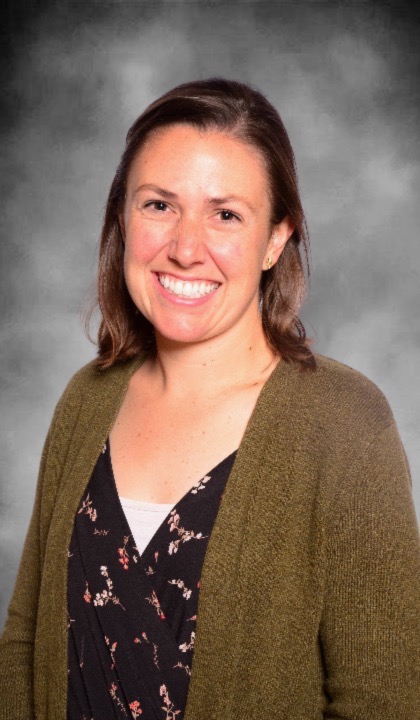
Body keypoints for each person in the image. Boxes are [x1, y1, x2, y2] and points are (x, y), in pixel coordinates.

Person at [0, 78, 419, 720]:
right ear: (122, 216)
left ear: (276, 239)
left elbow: (385, 703)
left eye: (226, 214)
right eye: (159, 206)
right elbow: (25, 651)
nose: (185, 249)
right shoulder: (85, 401)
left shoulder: (346, 425)